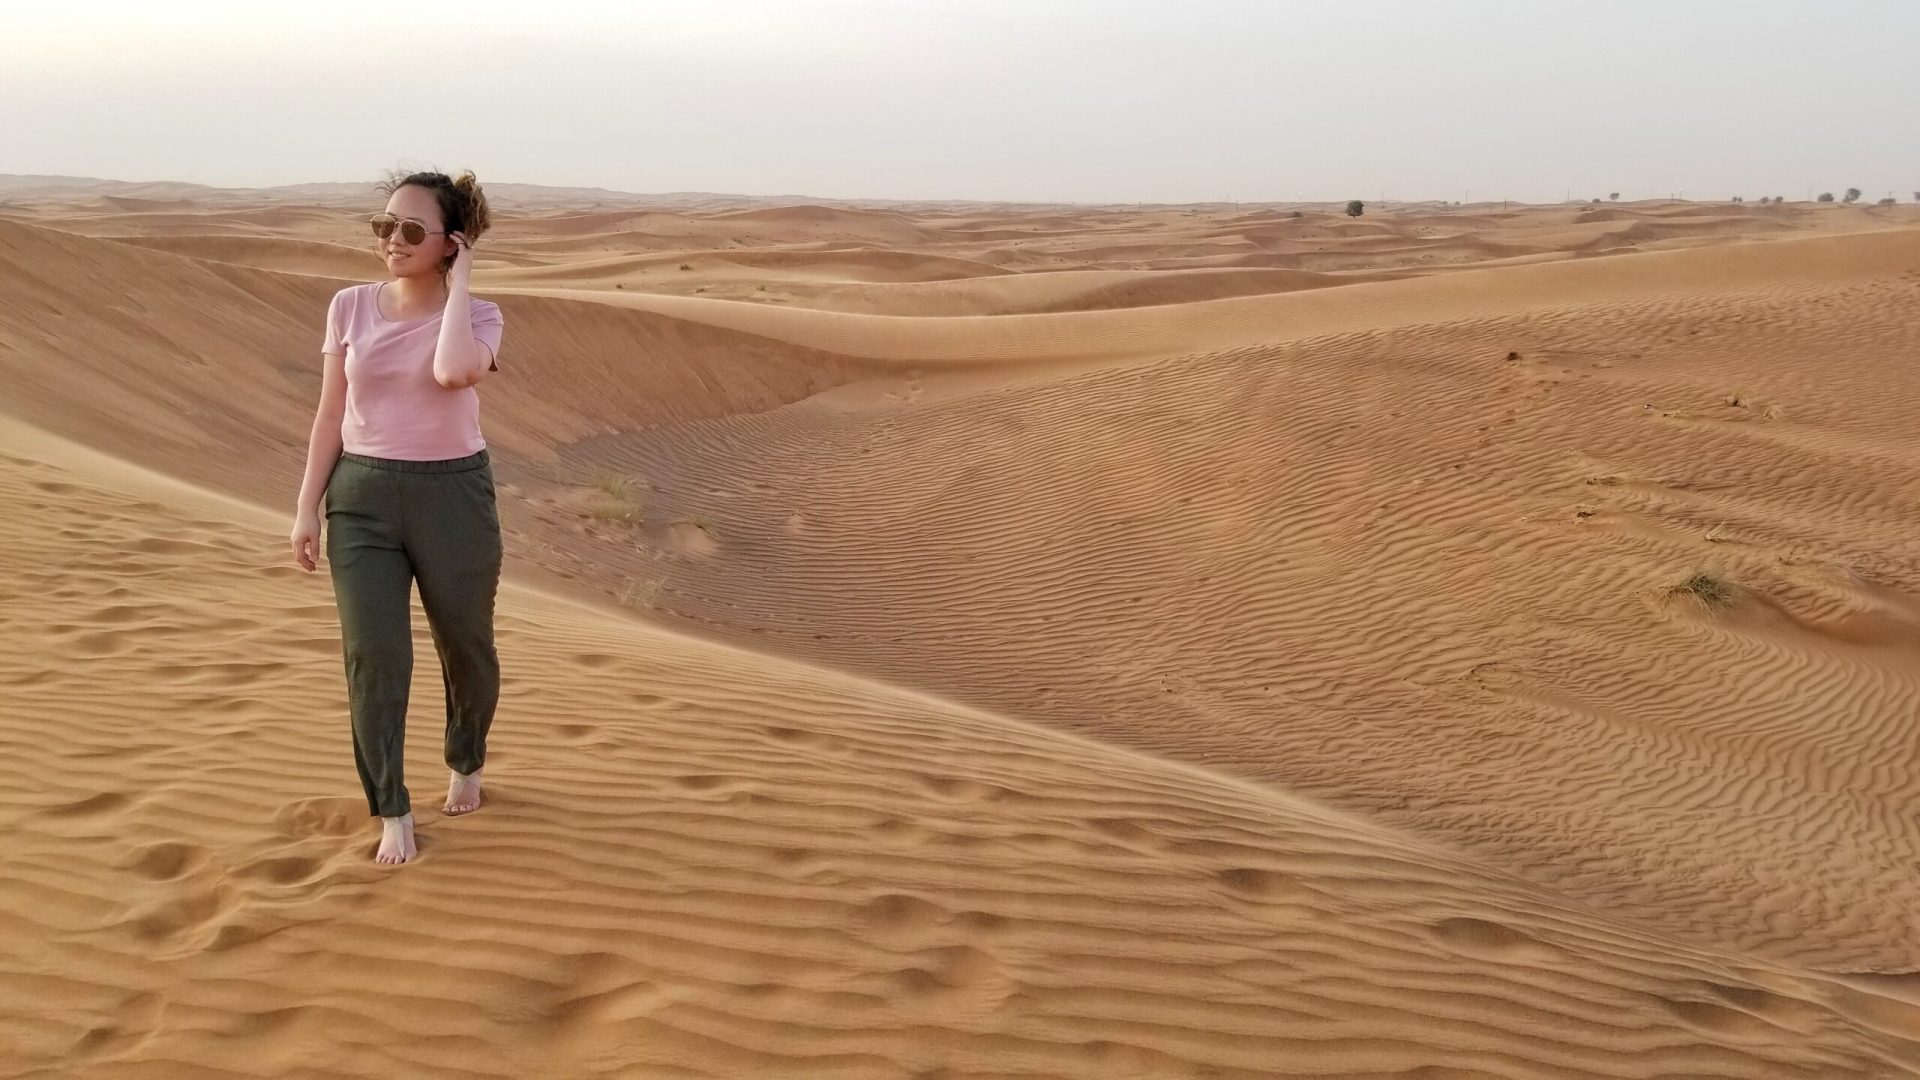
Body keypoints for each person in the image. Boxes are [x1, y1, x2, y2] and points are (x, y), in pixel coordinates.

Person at [289, 168, 507, 865]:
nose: (392, 240)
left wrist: (462, 279)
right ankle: (392, 807)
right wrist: (306, 510)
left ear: (450, 242)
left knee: (465, 647)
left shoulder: (480, 316)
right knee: (374, 657)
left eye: (413, 230)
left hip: (453, 497)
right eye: (384, 225)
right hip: (361, 497)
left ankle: (465, 759)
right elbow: (329, 414)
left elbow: (451, 372)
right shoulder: (348, 306)